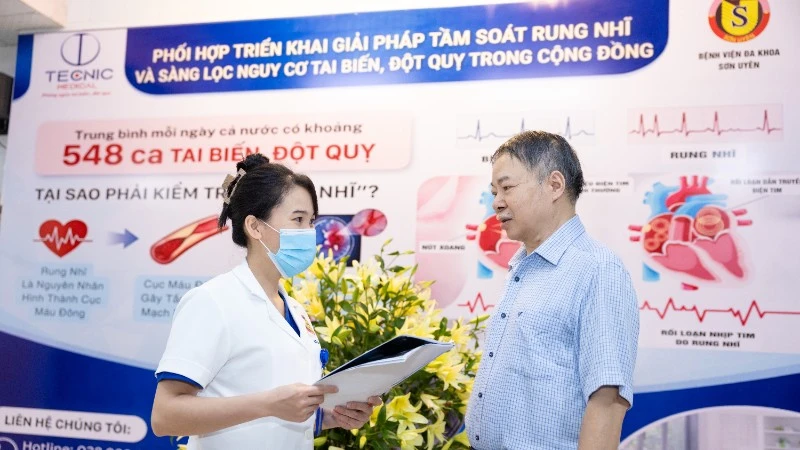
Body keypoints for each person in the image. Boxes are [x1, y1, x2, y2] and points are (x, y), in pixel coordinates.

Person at [150, 154, 381, 449]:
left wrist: (331, 416)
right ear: (255, 227)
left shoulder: (294, 310)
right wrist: (267, 404)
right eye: (298, 219)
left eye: (311, 221)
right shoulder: (212, 301)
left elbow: (282, 408)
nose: (310, 232)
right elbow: (165, 416)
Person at [465, 131, 640, 450]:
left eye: (507, 188)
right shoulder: (523, 265)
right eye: (494, 191)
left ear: (555, 185)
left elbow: (607, 401)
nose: (497, 202)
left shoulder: (597, 270)